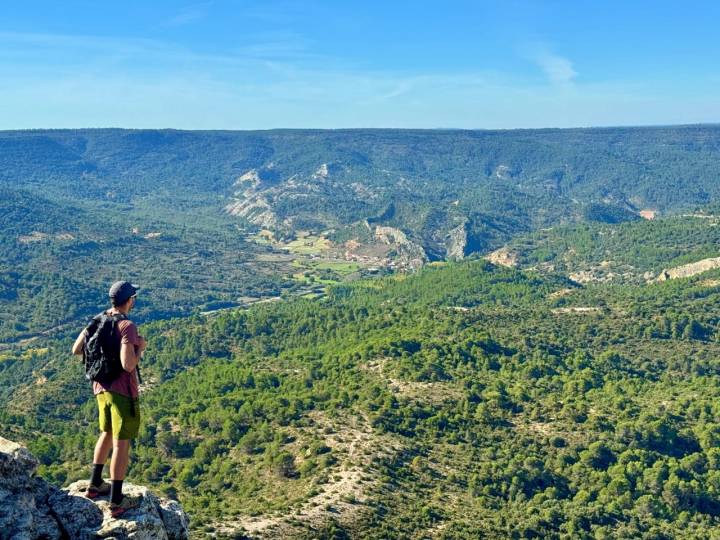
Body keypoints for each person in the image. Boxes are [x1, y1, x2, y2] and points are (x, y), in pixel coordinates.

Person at [72, 281, 147, 518]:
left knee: (105, 433)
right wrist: (140, 348)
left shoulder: (98, 319)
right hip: (122, 391)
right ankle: (116, 501)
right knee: (121, 443)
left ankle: (95, 485)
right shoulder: (127, 326)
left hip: (99, 387)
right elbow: (128, 365)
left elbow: (76, 349)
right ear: (130, 300)